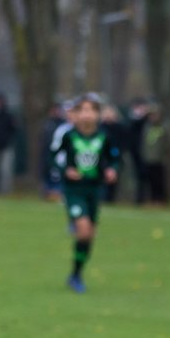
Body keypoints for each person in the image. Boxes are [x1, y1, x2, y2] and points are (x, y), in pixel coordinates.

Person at [48, 94, 120, 294]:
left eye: (92, 110)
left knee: (88, 237)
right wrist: (65, 171)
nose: (87, 115)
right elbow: (52, 156)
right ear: (76, 115)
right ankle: (76, 275)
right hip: (74, 190)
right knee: (83, 229)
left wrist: (112, 170)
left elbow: (114, 157)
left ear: (98, 114)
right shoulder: (69, 136)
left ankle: (75, 273)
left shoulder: (104, 137)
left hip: (94, 189)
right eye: (83, 110)